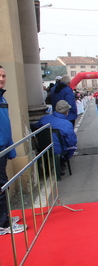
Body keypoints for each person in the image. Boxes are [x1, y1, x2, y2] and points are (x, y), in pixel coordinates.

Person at [0, 65, 26, 235]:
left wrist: (10, 148)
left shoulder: (3, 98)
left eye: (3, 75)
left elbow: (5, 125)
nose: (2, 79)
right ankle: (3, 224)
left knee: (4, 184)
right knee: (2, 186)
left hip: (3, 147)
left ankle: (4, 217)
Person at [35, 100, 78, 173]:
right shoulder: (66, 124)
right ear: (67, 111)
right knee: (72, 146)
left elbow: (36, 127)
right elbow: (71, 141)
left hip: (43, 147)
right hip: (59, 149)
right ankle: (62, 161)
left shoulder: (44, 118)